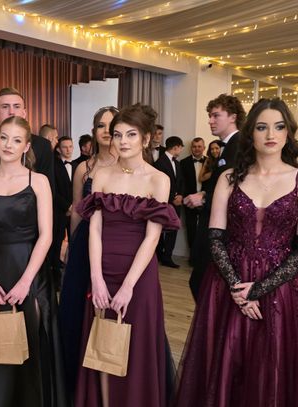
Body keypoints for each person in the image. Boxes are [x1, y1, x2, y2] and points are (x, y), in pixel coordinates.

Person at [173, 98, 298, 407]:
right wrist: (238, 288)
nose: (271, 134)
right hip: (227, 283)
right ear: (251, 133)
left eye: (279, 127)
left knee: (270, 369)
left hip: (281, 288)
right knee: (225, 363)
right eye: (262, 127)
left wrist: (257, 290)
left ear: (288, 132)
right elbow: (215, 238)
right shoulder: (229, 177)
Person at [74, 105, 180, 407]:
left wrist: (129, 286)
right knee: (103, 346)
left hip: (138, 276)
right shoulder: (102, 175)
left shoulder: (158, 180)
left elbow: (152, 237)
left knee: (134, 349)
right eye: (118, 134)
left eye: (131, 134)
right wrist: (96, 277)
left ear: (145, 139)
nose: (123, 141)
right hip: (102, 270)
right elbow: (94, 230)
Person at [0, 115, 66, 407]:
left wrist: (26, 282)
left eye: (16, 140)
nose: (8, 145)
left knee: (31, 342)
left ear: (26, 146)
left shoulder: (39, 181)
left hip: (30, 271)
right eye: (3, 137)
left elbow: (46, 236)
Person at [58, 105, 118, 399]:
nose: (107, 131)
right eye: (101, 126)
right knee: (78, 309)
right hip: (84, 243)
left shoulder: (130, 165)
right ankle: (80, 381)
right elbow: (77, 213)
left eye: (112, 125)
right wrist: (70, 245)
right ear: (94, 131)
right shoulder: (84, 168)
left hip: (117, 243)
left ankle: (113, 381)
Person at [185, 94, 246, 300]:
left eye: (215, 115)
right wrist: (204, 193)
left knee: (201, 283)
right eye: (209, 116)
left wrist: (204, 199)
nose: (210, 121)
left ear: (233, 117)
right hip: (214, 221)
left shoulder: (238, 146)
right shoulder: (229, 146)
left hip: (223, 227)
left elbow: (237, 189)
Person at [0, 87, 54, 188]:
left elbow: (49, 189)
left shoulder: (43, 145)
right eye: (5, 107)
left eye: (16, 106)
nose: (11, 112)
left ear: (24, 113)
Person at [154, 136, 184, 268]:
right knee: (159, 228)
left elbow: (181, 181)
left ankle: (167, 256)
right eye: (181, 148)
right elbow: (159, 184)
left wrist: (181, 196)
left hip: (176, 202)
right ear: (176, 147)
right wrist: (172, 198)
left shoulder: (177, 163)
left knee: (173, 229)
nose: (181, 150)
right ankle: (159, 255)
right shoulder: (160, 163)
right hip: (164, 202)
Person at [52, 136, 73, 289]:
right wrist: (67, 207)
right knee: (57, 243)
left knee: (75, 242)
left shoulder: (78, 165)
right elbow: (53, 191)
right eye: (65, 147)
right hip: (60, 212)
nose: (68, 150)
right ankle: (56, 280)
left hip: (76, 212)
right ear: (59, 149)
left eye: (70, 146)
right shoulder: (54, 165)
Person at [180, 137, 206, 251]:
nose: (197, 149)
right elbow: (182, 182)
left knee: (204, 228)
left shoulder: (210, 162)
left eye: (199, 146)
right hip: (189, 200)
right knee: (191, 229)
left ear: (204, 148)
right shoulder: (183, 162)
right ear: (191, 148)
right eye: (194, 146)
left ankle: (202, 256)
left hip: (205, 200)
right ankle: (193, 255)